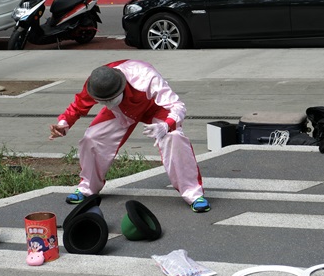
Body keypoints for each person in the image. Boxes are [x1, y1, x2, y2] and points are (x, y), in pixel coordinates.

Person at [48, 59, 211, 213]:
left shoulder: (146, 77)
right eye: (103, 101)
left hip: (154, 107)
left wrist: (166, 125)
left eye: (110, 99)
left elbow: (177, 105)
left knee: (173, 137)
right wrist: (63, 125)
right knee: (91, 138)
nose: (107, 103)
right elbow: (78, 106)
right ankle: (87, 187)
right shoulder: (97, 82)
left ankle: (194, 194)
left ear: (120, 87)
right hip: (122, 111)